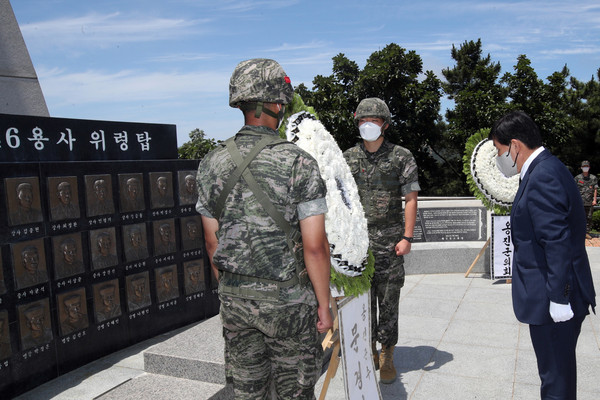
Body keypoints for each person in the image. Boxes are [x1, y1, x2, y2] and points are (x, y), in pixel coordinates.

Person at [196, 58, 332, 399]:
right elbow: (315, 247)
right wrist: (324, 305)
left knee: (246, 392)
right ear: (275, 104)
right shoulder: (299, 162)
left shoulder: (211, 162)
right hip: (288, 304)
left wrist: (235, 292)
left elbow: (213, 244)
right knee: (294, 393)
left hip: (235, 301)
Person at [489, 110, 596, 399]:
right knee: (556, 373)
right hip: (555, 293)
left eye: (499, 151)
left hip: (555, 299)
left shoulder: (543, 176)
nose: (500, 159)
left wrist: (559, 299)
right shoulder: (547, 168)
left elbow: (556, 242)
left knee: (555, 379)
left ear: (514, 146)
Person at [343, 97, 420, 384]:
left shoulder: (401, 156)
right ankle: (367, 349)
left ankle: (387, 353)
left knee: (388, 301)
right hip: (357, 245)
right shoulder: (347, 157)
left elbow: (411, 199)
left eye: (373, 121)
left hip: (390, 243)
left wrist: (407, 237)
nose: (367, 126)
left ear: (385, 124)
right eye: (363, 121)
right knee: (361, 302)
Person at [574, 160, 598, 235]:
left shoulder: (593, 178)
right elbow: (574, 189)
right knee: (579, 217)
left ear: (589, 167)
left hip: (589, 201)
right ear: (581, 167)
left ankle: (586, 233)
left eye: (587, 166)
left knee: (589, 217)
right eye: (584, 166)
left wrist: (594, 200)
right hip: (580, 202)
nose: (585, 168)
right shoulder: (577, 178)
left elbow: (595, 189)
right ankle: (579, 232)